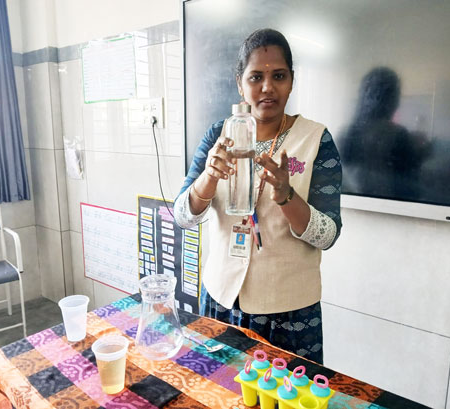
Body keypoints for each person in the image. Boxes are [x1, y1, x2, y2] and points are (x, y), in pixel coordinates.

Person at [174, 28, 342, 364]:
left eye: (278, 76)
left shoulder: (316, 140)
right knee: (218, 387)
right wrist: (209, 177)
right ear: (240, 84)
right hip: (221, 300)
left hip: (289, 314)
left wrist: (286, 196)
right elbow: (182, 216)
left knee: (285, 391)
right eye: (256, 77)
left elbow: (328, 235)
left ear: (291, 81)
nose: (267, 87)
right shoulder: (218, 134)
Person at [339, 66, 431, 200]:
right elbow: (411, 189)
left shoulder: (346, 133)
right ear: (392, 99)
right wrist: (422, 154)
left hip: (350, 208)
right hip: (391, 210)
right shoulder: (398, 135)